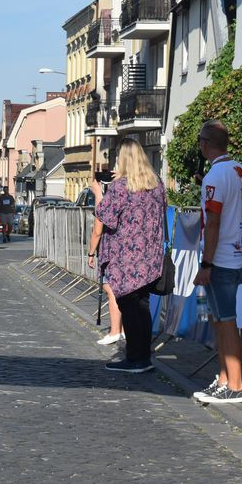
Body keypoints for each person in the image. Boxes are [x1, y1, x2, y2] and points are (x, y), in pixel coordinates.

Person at [88, 138, 165, 373]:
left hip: (126, 258)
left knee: (130, 307)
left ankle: (135, 358)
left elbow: (104, 216)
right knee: (142, 305)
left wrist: (98, 193)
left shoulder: (122, 187)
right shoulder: (157, 184)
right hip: (150, 257)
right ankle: (144, 356)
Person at [192, 120, 242, 405]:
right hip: (238, 253)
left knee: (226, 322)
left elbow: (214, 221)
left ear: (205, 144)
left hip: (223, 258)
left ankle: (236, 386)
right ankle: (224, 377)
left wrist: (206, 264)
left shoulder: (215, 176)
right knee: (219, 320)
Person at [87, 216, 125, 346]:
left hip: (111, 252)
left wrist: (91, 253)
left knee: (111, 290)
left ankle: (115, 332)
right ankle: (123, 329)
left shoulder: (108, 202)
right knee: (125, 291)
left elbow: (97, 231)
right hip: (128, 251)